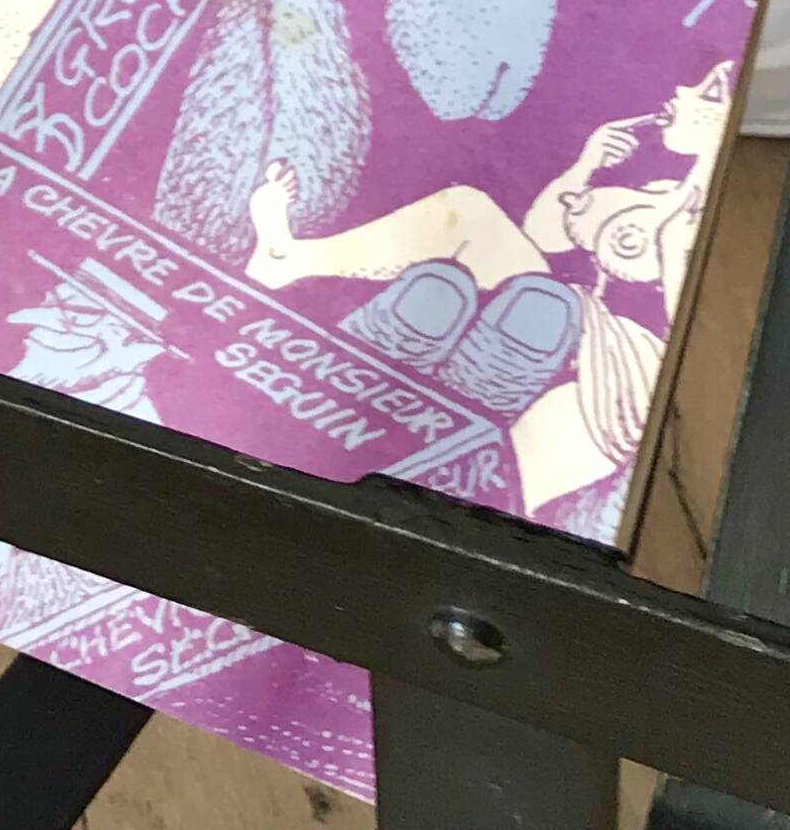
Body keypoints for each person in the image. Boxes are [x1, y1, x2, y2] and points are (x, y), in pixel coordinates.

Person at [243, 63, 732, 511]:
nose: (683, 89)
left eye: (708, 93)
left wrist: (676, 232)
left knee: (494, 488)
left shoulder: (693, 222)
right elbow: (545, 234)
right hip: (561, 314)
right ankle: (289, 259)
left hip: (625, 376)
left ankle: (450, 463)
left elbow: (683, 328)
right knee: (473, 216)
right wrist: (588, 164)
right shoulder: (659, 193)